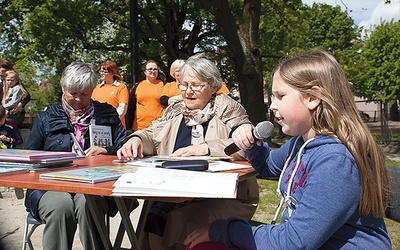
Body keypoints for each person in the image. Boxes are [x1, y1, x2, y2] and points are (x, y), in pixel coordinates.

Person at [184, 50, 392, 249]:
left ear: (312, 98)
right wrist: (251, 145)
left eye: (280, 96)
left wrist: (224, 230)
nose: (272, 105)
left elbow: (293, 242)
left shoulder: (335, 161)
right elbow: (268, 166)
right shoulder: (301, 143)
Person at [117, 54, 259, 250]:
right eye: (184, 85)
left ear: (213, 86)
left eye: (196, 85)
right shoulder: (176, 109)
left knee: (167, 219)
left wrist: (205, 148)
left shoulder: (227, 107)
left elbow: (246, 143)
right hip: (175, 189)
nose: (188, 92)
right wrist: (136, 139)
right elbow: (152, 133)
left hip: (219, 194)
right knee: (155, 216)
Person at [24, 62, 128, 250]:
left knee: (88, 203)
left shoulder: (108, 114)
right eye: (73, 93)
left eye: (85, 94)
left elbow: (125, 148)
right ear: (63, 88)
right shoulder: (46, 118)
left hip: (95, 184)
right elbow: (29, 157)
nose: (78, 99)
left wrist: (106, 150)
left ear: (92, 90)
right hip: (50, 185)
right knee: (60, 206)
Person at [160, 59, 231, 107]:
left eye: (195, 85)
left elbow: (227, 97)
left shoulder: (214, 83)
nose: (188, 92)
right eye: (178, 70)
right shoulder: (169, 85)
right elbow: (164, 101)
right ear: (173, 72)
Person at [127, 59, 165, 131]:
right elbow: (131, 105)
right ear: (145, 71)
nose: (153, 71)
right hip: (139, 127)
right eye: (150, 69)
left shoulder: (164, 85)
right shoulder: (137, 86)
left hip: (159, 127)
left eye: (155, 69)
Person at [91, 60, 129, 129]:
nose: (102, 74)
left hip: (116, 126)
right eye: (101, 71)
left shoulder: (121, 87)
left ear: (112, 73)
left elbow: (122, 108)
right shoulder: (97, 88)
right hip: (98, 127)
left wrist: (111, 121)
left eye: (105, 72)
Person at [0, 59, 31, 125]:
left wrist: (21, 104)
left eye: (3, 68)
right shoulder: (1, 83)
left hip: (14, 113)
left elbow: (27, 96)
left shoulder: (15, 83)